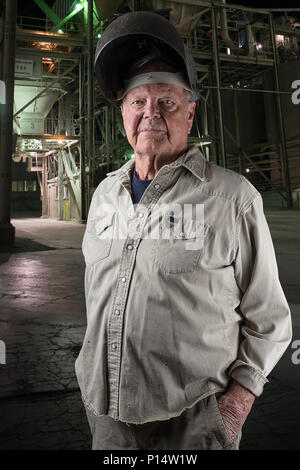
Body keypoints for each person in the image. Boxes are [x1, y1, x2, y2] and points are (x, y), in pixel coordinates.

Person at [75, 11, 292, 450]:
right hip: (106, 422)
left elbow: (270, 321)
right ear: (123, 113)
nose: (150, 113)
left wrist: (234, 407)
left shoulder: (232, 199)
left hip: (192, 426)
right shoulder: (103, 197)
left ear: (189, 114)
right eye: (138, 102)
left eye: (166, 102)